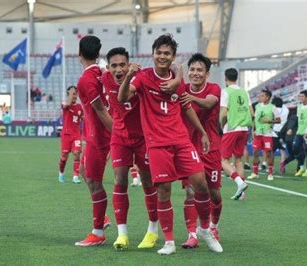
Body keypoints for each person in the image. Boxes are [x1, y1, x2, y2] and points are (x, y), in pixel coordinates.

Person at [119, 34, 222, 255]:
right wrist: (128, 76)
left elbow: (186, 106)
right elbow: (123, 98)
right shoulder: (144, 77)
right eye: (159, 52)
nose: (162, 56)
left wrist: (203, 133)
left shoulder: (178, 80)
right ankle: (169, 241)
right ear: (153, 54)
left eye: (167, 53)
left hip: (181, 141)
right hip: (157, 144)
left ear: (172, 56)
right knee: (163, 191)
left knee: (201, 183)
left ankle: (204, 229)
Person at [101, 47, 159, 250]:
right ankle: (122, 234)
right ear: (108, 68)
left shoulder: (140, 78)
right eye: (114, 66)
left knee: (148, 181)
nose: (119, 69)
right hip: (119, 137)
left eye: (122, 65)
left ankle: (153, 230)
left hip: (143, 137)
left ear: (129, 65)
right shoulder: (104, 79)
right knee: (120, 180)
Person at [178, 53, 223, 248]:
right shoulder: (182, 89)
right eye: (192, 70)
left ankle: (213, 226)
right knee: (190, 192)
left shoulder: (213, 88)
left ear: (207, 74)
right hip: (189, 148)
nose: (195, 73)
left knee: (213, 194)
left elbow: (208, 103)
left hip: (210, 147)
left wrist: (191, 98)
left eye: (199, 70)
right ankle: (192, 234)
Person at [74, 36, 113, 247]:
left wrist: (118, 136)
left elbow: (101, 111)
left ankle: (98, 231)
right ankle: (103, 218)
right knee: (83, 172)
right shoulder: (101, 72)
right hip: (93, 135)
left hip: (99, 137)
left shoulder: (86, 80)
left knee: (94, 182)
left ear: (79, 53)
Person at [219, 68, 252, 200]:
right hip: (244, 128)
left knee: (222, 160)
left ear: (225, 78)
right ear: (237, 77)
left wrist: (219, 126)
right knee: (238, 159)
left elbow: (223, 113)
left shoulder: (226, 91)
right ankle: (242, 193)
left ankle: (239, 182)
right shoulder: (244, 92)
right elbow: (252, 112)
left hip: (231, 128)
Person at [247, 89, 280, 181]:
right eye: (260, 95)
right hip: (258, 133)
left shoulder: (273, 107)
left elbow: (279, 120)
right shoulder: (257, 106)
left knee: (268, 153)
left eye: (262, 96)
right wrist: (253, 130)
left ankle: (270, 173)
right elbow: (255, 119)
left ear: (267, 97)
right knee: (255, 152)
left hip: (267, 133)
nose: (260, 97)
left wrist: (269, 121)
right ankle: (255, 173)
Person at [280, 90, 307, 177]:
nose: (300, 98)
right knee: (296, 148)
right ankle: (301, 167)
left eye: (302, 96)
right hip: (299, 132)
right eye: (299, 96)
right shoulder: (299, 106)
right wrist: (291, 128)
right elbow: (298, 120)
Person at [57, 86, 83, 184]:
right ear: (68, 95)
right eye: (72, 94)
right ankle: (61, 173)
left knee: (77, 154)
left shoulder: (80, 107)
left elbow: (84, 118)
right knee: (64, 157)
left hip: (76, 135)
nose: (74, 96)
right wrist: (71, 93)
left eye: (75, 94)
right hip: (66, 135)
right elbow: (67, 104)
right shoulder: (65, 104)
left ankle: (75, 177)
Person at [271, 96, 289, 173]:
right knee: (282, 150)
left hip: (274, 132)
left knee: (271, 151)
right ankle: (282, 164)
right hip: (283, 132)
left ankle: (271, 168)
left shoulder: (273, 109)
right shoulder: (286, 110)